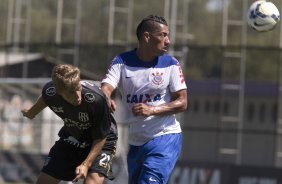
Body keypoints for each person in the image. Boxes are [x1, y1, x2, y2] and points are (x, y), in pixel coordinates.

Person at [101, 15, 188, 184]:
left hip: (164, 137)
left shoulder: (171, 63)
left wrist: (152, 110)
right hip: (135, 141)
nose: (168, 41)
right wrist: (106, 98)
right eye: (163, 35)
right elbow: (106, 88)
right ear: (147, 37)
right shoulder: (122, 61)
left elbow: (183, 102)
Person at [21, 64, 118, 184]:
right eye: (72, 92)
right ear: (59, 92)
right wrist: (32, 112)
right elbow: (46, 98)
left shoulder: (96, 99)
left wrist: (86, 165)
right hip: (73, 137)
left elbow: (101, 136)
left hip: (102, 140)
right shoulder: (50, 92)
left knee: (91, 182)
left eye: (78, 88)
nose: (78, 95)